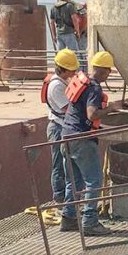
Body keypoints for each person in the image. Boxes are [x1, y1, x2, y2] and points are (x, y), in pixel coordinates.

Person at [60, 50, 123, 234]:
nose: (108, 75)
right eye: (108, 71)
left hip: (66, 135)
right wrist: (111, 108)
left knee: (74, 181)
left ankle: (69, 218)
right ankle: (89, 222)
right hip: (82, 139)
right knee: (94, 181)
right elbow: (92, 114)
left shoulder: (83, 80)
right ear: (105, 71)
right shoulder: (94, 88)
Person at [42, 49, 85, 210]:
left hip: (63, 126)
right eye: (72, 69)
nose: (74, 72)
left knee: (68, 165)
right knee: (59, 165)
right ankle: (60, 199)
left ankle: (69, 198)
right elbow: (68, 109)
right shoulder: (56, 86)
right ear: (63, 69)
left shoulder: (64, 81)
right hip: (58, 128)